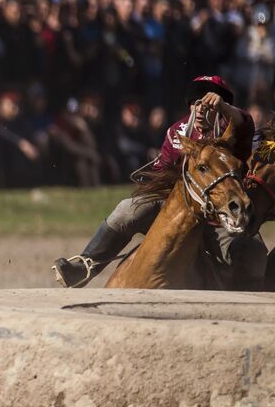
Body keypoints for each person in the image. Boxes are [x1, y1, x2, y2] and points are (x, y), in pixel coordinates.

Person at [52, 75, 256, 288]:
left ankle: (247, 304)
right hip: (175, 207)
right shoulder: (177, 132)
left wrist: (223, 106)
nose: (201, 110)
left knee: (255, 253)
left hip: (219, 217)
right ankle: (85, 266)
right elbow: (161, 172)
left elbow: (244, 121)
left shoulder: (233, 132)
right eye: (196, 104)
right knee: (126, 210)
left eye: (208, 105)